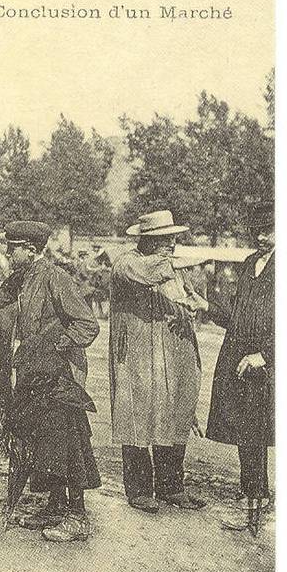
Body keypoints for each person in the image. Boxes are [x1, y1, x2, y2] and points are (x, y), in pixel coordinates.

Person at [0, 220, 100, 542]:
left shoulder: (56, 278)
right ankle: (54, 507)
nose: (8, 253)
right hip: (37, 373)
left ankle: (77, 516)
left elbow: (87, 325)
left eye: (14, 248)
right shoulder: (23, 278)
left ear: (31, 250)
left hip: (61, 376)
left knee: (67, 440)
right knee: (43, 441)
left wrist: (53, 345)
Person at [109, 211, 208, 514]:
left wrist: (190, 307)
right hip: (137, 355)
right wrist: (180, 263)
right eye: (165, 239)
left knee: (174, 415)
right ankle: (138, 490)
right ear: (147, 240)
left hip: (173, 354)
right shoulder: (126, 262)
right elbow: (148, 272)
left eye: (174, 238)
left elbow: (186, 298)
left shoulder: (172, 266)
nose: (172, 244)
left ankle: (171, 487)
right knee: (138, 416)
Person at [206, 202, 275, 533]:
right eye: (259, 231)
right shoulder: (251, 264)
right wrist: (204, 305)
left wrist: (266, 355)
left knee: (258, 430)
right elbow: (237, 315)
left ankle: (256, 500)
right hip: (239, 359)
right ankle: (254, 497)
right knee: (246, 430)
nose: (263, 237)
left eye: (271, 230)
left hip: (267, 363)